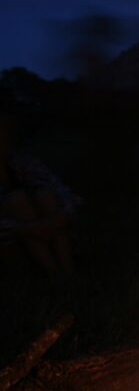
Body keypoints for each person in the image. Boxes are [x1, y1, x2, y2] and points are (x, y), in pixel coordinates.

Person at [0, 115, 80, 273]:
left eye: (3, 133)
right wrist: (25, 228)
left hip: (41, 232)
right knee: (18, 200)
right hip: (10, 242)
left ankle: (66, 270)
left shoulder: (22, 164)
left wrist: (58, 218)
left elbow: (64, 194)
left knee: (46, 195)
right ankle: (54, 273)